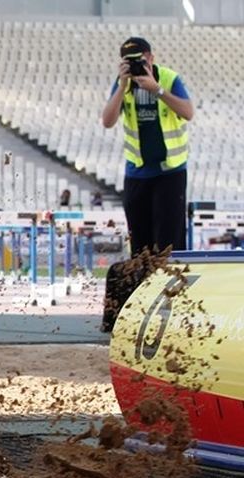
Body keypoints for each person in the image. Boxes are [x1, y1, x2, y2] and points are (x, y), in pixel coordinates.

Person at [100, 37, 193, 334]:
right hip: (138, 174)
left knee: (169, 245)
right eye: (129, 61)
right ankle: (139, 311)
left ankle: (173, 312)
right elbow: (107, 120)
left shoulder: (169, 78)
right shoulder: (122, 84)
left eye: (140, 59)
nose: (137, 65)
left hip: (170, 173)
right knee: (139, 246)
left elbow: (188, 112)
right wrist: (122, 85)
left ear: (151, 57)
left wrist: (157, 90)